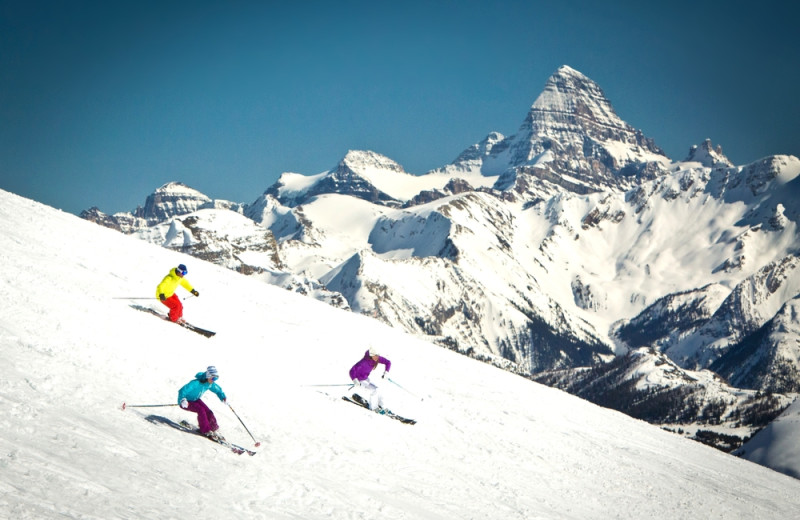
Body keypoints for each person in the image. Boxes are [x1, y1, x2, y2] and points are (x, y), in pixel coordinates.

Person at [178, 366, 227, 439]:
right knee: (201, 410)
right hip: (186, 402)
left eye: (216, 378)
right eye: (213, 378)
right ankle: (205, 430)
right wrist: (182, 400)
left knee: (208, 411)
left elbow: (217, 389)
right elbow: (182, 390)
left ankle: (214, 429)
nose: (214, 380)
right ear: (208, 376)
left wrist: (222, 397)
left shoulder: (209, 383)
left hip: (195, 399)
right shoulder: (195, 383)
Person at [349, 346, 392, 413]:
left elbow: (388, 362)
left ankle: (380, 405)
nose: (377, 357)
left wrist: (386, 372)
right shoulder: (363, 362)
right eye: (375, 356)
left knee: (378, 389)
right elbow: (352, 370)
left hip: (366, 378)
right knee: (374, 390)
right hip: (360, 380)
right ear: (371, 355)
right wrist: (355, 380)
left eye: (378, 355)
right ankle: (373, 408)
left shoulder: (376, 358)